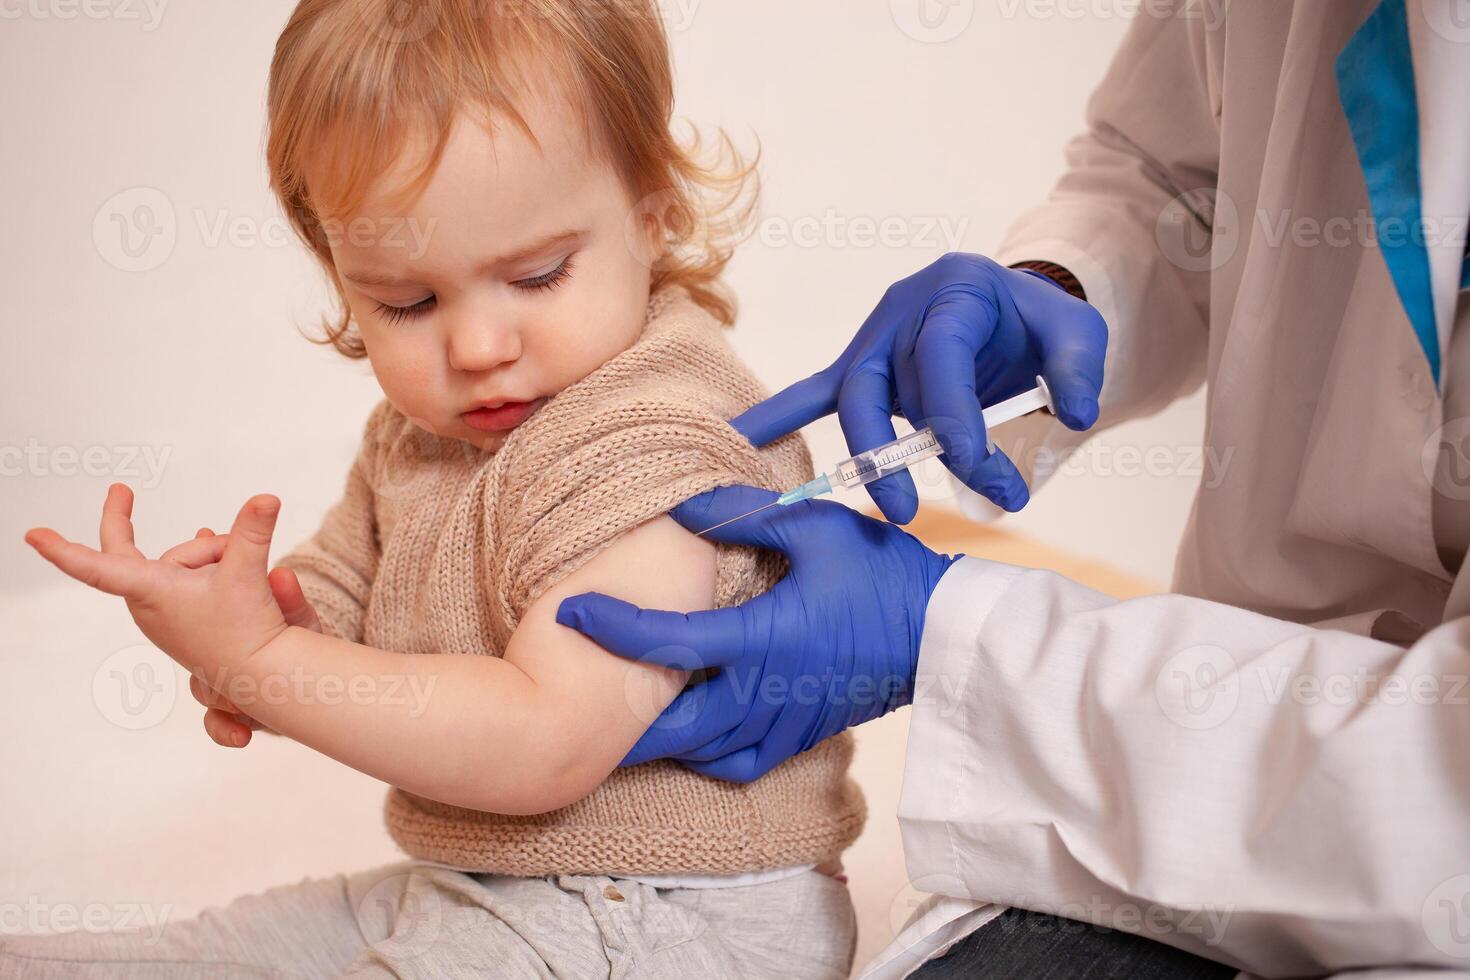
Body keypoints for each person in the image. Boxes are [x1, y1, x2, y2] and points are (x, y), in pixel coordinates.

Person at [555, 1, 1470, 977]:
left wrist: (947, 633)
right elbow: (1179, 168)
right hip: (1216, 704)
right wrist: (1063, 285)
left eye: (537, 273)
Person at [8, 0, 867, 976]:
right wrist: (249, 620)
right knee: (175, 955)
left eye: (538, 275)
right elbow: (337, 596)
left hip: (674, 910)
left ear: (653, 210)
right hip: (490, 875)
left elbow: (548, 739)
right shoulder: (420, 436)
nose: (476, 348)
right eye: (406, 301)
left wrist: (266, 664)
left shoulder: (661, 435)